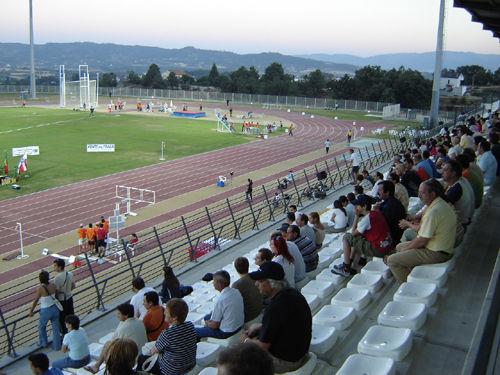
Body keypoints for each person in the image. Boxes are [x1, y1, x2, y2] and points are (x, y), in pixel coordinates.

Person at [239, 262, 312, 373]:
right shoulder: (294, 294)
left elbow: (263, 347)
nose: (256, 284)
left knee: (242, 358)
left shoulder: (275, 308)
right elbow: (283, 324)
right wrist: (261, 327)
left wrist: (245, 341)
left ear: (272, 283)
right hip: (301, 352)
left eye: (260, 281)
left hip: (288, 361)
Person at [387, 179, 456, 284]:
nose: (419, 196)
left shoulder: (433, 212)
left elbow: (422, 241)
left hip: (437, 252)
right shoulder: (437, 203)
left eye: (422, 193)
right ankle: (411, 275)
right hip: (439, 247)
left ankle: (408, 287)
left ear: (432, 194)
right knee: (399, 247)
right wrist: (404, 249)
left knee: (392, 260)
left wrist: (405, 249)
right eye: (419, 192)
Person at [332, 194, 394, 277]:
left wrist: (356, 216)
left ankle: (346, 268)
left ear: (364, 206)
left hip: (379, 249)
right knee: (357, 238)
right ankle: (350, 263)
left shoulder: (367, 219)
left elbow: (353, 233)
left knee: (347, 237)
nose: (355, 207)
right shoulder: (376, 213)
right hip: (386, 246)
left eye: (357, 205)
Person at [84, 303, 148, 374]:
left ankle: (97, 366)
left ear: (126, 315)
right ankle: (97, 366)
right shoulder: (139, 321)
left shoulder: (124, 328)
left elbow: (117, 346)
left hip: (132, 357)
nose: (117, 316)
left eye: (119, 314)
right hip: (141, 353)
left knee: (107, 344)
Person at [138, 298, 197, 375]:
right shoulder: (190, 326)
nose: (164, 313)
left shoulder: (167, 334)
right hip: (190, 365)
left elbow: (154, 350)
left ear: (174, 317)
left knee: (141, 358)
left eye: (167, 311)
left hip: (172, 371)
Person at [195, 270, 244, 340]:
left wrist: (207, 324)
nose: (213, 283)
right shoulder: (236, 292)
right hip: (239, 325)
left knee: (195, 331)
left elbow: (215, 325)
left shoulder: (220, 300)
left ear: (220, 284)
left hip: (227, 331)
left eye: (214, 281)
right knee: (207, 317)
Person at [29, 270, 61, 351]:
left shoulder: (40, 288)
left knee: (41, 326)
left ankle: (43, 343)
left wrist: (31, 310)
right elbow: (57, 295)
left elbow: (36, 300)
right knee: (55, 327)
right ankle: (57, 346)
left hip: (45, 310)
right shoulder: (53, 285)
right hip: (54, 308)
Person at [442, 160, 475, 229]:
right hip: (464, 219)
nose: (442, 173)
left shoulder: (455, 189)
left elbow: (440, 208)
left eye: (445, 170)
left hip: (459, 226)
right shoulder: (460, 181)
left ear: (453, 174)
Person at [375, 181, 406, 245]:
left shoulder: (388, 207)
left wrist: (377, 212)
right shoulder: (393, 202)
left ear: (387, 192)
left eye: (380, 190)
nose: (378, 192)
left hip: (393, 240)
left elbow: (382, 225)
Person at [232, 257, 262, 323]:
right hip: (260, 309)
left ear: (236, 268)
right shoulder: (255, 277)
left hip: (249, 316)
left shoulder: (237, 285)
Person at [53, 259, 76, 336]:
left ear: (59, 267)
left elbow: (56, 292)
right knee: (71, 316)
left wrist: (56, 300)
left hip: (61, 300)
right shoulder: (70, 274)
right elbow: (73, 286)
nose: (54, 267)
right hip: (69, 297)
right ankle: (74, 331)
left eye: (55, 266)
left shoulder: (57, 278)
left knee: (62, 319)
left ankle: (64, 335)